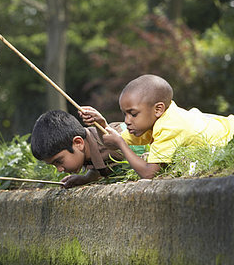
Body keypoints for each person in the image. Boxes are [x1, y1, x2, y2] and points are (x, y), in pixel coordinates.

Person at [80, 74, 234, 179]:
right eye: (124, 114)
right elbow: (110, 143)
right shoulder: (154, 120)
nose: (126, 121)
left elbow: (149, 174)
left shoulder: (169, 127)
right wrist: (101, 124)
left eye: (133, 114)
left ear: (158, 109)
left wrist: (120, 143)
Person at [30, 109, 128, 188]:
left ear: (78, 143)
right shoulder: (88, 154)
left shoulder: (117, 139)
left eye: (59, 161)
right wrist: (87, 178)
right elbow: (101, 166)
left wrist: (102, 124)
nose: (60, 169)